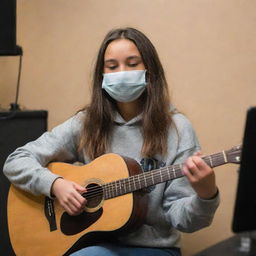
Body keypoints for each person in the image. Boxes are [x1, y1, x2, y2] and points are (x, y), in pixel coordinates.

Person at [3, 27, 219, 256]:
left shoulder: (177, 129)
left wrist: (206, 195)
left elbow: (185, 221)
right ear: (102, 75)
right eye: (112, 66)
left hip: (154, 249)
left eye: (133, 63)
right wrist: (55, 185)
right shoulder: (86, 123)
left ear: (149, 70)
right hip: (92, 244)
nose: (122, 72)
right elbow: (16, 160)